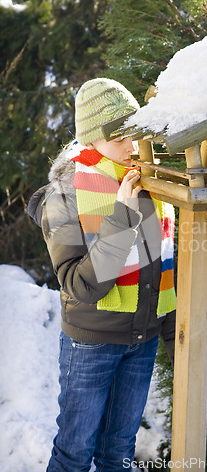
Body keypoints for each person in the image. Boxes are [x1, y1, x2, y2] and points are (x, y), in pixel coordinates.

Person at [28, 78, 177, 472]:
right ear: (92, 139)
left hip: (141, 341)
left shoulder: (148, 181)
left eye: (134, 133)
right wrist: (123, 218)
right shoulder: (65, 192)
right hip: (91, 346)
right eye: (118, 138)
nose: (131, 146)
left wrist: (175, 337)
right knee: (74, 454)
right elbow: (81, 285)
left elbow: (162, 266)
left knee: (118, 454)